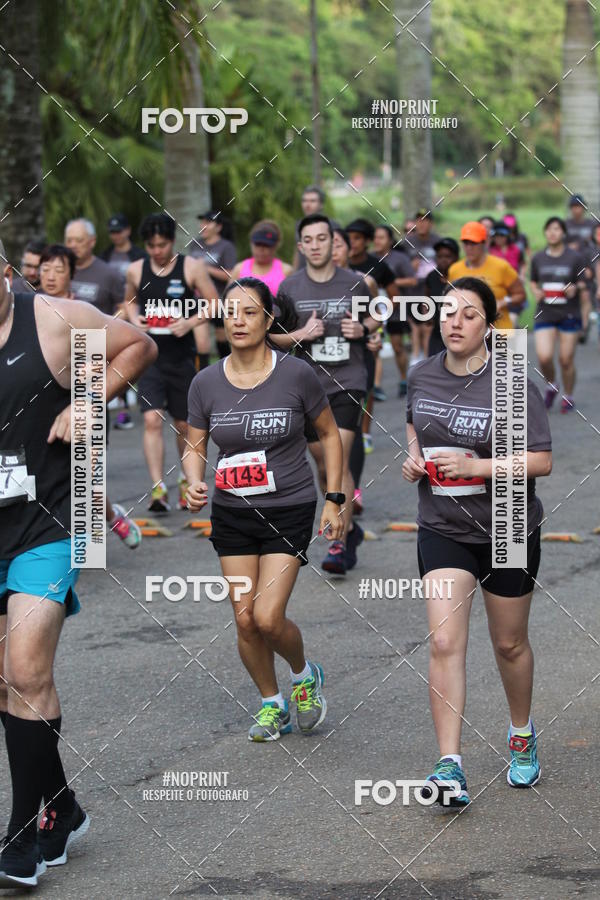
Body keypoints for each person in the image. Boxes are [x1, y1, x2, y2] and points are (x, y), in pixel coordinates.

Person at [0, 242, 157, 886]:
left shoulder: (53, 319)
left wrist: (87, 397)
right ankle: (62, 806)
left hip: (50, 517)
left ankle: (19, 839)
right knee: (6, 684)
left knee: (25, 667)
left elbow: (138, 344)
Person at [402, 276, 552, 807]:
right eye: (447, 313)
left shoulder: (509, 378)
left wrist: (477, 465)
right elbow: (414, 424)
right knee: (444, 642)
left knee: (509, 643)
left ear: (489, 323)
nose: (454, 322)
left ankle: (521, 732)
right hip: (443, 524)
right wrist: (414, 457)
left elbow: (540, 461)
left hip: (508, 522)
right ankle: (450, 765)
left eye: (468, 314)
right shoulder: (421, 374)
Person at [184, 277, 343, 742]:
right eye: (231, 311)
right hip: (233, 511)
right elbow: (195, 446)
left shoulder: (296, 375)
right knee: (244, 617)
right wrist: (193, 481)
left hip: (289, 505)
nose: (238, 319)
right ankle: (271, 703)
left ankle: (303, 673)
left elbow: (330, 435)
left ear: (269, 320)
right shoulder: (205, 383)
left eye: (249, 311)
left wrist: (335, 498)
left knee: (268, 616)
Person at [272, 214, 376, 575]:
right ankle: (347, 525)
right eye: (309, 240)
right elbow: (272, 336)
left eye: (323, 239)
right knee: (323, 465)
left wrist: (361, 327)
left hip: (347, 380)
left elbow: (380, 314)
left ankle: (338, 542)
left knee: (339, 461)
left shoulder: (357, 283)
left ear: (335, 244)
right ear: (301, 247)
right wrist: (301, 334)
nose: (316, 246)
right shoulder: (289, 287)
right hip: (308, 386)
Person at [38, 243, 143, 549]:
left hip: (86, 400)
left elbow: (113, 357)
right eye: (45, 269)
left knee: (86, 478)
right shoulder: (30, 311)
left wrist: (92, 371)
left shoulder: (83, 314)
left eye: (59, 269)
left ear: (72, 274)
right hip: (45, 405)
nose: (51, 276)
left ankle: (111, 519)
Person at [124, 212, 217, 513]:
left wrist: (189, 323)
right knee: (151, 419)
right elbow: (128, 303)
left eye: (162, 245)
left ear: (172, 241)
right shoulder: (136, 270)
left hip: (181, 358)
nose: (157, 251)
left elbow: (216, 303)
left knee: (184, 425)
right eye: (151, 246)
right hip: (149, 356)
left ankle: (183, 479)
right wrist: (133, 317)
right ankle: (157, 488)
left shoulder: (191, 267)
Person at [530, 217, 587, 413]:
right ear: (545, 233)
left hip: (569, 313)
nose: (553, 233)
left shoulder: (575, 258)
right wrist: (535, 291)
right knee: (544, 357)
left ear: (563, 233)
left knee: (565, 359)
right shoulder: (538, 258)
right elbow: (533, 281)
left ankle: (568, 396)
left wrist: (575, 288)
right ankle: (552, 385)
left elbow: (583, 282)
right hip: (545, 313)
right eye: (549, 229)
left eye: (557, 229)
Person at [449, 221, 525, 330]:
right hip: (469, 333)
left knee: (514, 346)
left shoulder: (501, 266)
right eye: (466, 243)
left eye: (474, 243)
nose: (469, 248)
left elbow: (521, 295)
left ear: (485, 243)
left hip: (501, 331)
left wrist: (502, 302)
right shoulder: (454, 270)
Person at [190, 210, 237, 359]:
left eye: (208, 222)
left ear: (218, 227)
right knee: (200, 342)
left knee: (222, 341)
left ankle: (226, 370)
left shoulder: (226, 246)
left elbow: (230, 274)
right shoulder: (195, 244)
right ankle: (199, 376)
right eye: (202, 222)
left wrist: (206, 269)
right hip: (197, 300)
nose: (203, 226)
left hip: (219, 300)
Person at [65, 219, 124, 317]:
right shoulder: (57, 272)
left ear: (92, 241)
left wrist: (108, 326)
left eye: (79, 240)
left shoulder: (109, 274)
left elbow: (123, 308)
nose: (73, 245)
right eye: (69, 240)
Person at [228, 221, 292, 296]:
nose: (261, 249)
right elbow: (228, 300)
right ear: (251, 244)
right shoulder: (239, 269)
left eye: (266, 245)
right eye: (257, 244)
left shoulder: (286, 271)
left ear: (275, 246)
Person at [424, 237, 459, 357]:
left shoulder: (462, 277)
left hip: (459, 332)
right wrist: (427, 313)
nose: (443, 260)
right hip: (438, 332)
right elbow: (427, 297)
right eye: (439, 256)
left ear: (456, 257)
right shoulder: (432, 276)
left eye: (448, 256)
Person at [100, 213, 145, 287]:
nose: (115, 236)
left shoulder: (141, 255)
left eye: (118, 231)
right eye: (112, 232)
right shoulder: (104, 255)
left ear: (128, 230)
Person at [293, 186, 325, 270]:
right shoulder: (299, 224)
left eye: (312, 201)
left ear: (321, 205)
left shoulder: (330, 226)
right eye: (304, 201)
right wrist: (293, 274)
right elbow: (297, 251)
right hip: (301, 275)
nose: (307, 205)